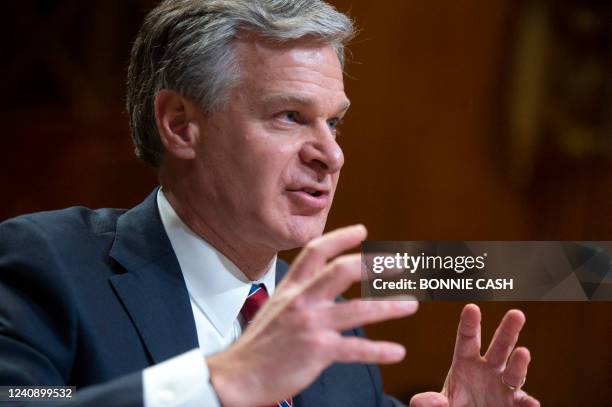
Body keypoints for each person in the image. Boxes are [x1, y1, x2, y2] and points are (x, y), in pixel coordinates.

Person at [0, 1, 539, 406]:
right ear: (181, 125)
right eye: (290, 116)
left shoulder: (331, 333)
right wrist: (224, 382)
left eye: (334, 123)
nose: (331, 154)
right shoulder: (49, 266)